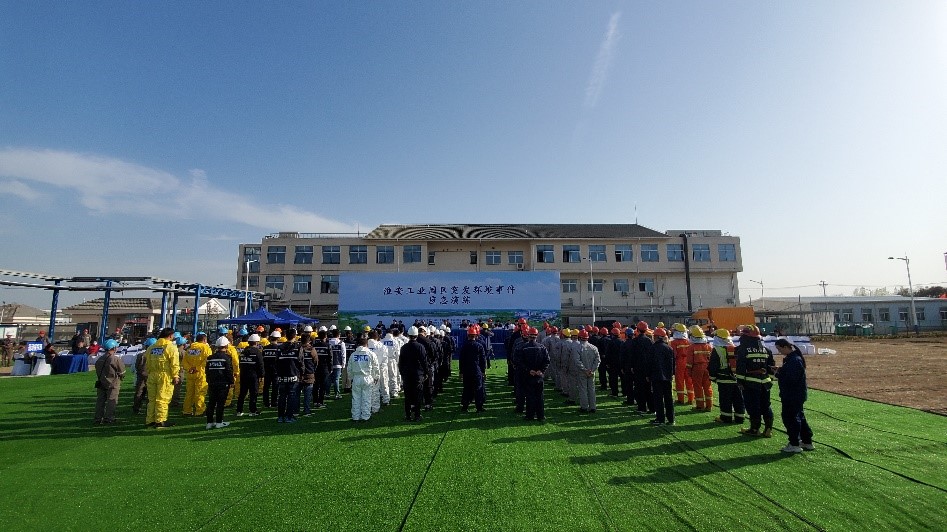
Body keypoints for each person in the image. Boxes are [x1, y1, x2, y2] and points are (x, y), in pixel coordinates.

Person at [735, 325, 776, 438]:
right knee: (765, 406)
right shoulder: (766, 350)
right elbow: (771, 368)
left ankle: (754, 429)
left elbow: (741, 368)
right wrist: (769, 380)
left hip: (750, 383)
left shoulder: (743, 349)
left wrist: (740, 382)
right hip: (765, 384)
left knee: (753, 406)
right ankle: (768, 429)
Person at [775, 339, 814, 453]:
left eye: (779, 349)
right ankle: (807, 441)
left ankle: (794, 443)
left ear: (785, 347)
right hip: (796, 394)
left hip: (792, 395)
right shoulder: (793, 359)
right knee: (799, 417)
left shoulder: (794, 360)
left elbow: (791, 379)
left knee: (790, 418)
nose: (779, 352)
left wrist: (778, 374)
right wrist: (780, 370)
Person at [145, 328, 181, 428]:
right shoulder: (170, 347)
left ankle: (150, 420)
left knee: (152, 399)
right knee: (162, 399)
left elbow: (147, 361)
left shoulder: (152, 347)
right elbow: (174, 363)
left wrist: (150, 372)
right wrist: (175, 375)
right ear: (170, 335)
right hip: (165, 375)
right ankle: (160, 420)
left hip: (152, 375)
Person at [709, 328, 745, 424]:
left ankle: (726, 417)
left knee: (725, 399)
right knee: (738, 399)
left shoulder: (717, 350)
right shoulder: (734, 348)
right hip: (736, 378)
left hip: (723, 378)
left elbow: (713, 365)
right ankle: (740, 417)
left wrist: (712, 377)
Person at [518, 327, 550, 421]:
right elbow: (547, 360)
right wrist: (541, 370)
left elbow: (520, 362)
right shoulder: (542, 347)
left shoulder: (524, 348)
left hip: (528, 375)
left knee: (529, 396)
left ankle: (530, 415)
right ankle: (540, 416)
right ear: (536, 336)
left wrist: (528, 370)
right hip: (539, 376)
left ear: (528, 336)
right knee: (539, 396)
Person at [398, 326, 427, 422]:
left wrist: (402, 373)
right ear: (416, 335)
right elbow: (424, 361)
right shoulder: (420, 347)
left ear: (408, 335)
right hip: (418, 374)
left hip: (407, 374)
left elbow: (400, 362)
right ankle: (417, 415)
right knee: (417, 395)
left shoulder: (404, 347)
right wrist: (426, 372)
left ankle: (408, 415)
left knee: (407, 395)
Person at [347, 336, 379, 422]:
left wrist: (351, 378)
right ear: (366, 344)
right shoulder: (371, 354)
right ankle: (365, 416)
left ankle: (355, 416)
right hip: (367, 377)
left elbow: (349, 368)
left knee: (356, 398)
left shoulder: (353, 355)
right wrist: (376, 377)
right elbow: (376, 367)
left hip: (356, 378)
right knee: (367, 398)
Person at [205, 337, 235, 429]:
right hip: (223, 383)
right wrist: (231, 381)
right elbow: (228, 371)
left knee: (211, 403)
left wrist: (208, 380)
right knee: (220, 403)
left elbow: (207, 371)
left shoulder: (210, 358)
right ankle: (219, 422)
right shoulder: (227, 358)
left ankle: (209, 422)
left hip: (212, 383)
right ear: (226, 346)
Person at [94, 339, 126, 424]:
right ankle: (109, 418)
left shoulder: (100, 359)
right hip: (113, 383)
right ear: (114, 348)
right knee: (111, 401)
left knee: (100, 401)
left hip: (101, 383)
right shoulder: (115, 359)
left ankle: (98, 418)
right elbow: (122, 372)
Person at [648, 328, 676, 426]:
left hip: (656, 377)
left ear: (656, 337)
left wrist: (648, 375)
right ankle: (671, 419)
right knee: (668, 398)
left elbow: (649, 363)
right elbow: (673, 364)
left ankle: (660, 419)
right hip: (667, 377)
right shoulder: (669, 348)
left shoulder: (652, 348)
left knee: (658, 398)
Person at [275, 329, 303, 423]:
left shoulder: (279, 347)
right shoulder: (298, 347)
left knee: (282, 396)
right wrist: (301, 374)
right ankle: (289, 416)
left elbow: (276, 362)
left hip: (281, 375)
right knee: (291, 396)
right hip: (293, 375)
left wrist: (278, 373)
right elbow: (301, 362)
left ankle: (280, 416)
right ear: (295, 336)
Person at [459, 324, 488, 412]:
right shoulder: (479, 346)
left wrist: (461, 372)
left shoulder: (464, 346)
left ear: (468, 335)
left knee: (467, 388)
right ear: (476, 335)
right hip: (476, 370)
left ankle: (465, 406)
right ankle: (479, 407)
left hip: (467, 371)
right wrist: (483, 371)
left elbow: (461, 360)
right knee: (478, 389)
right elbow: (483, 360)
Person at [182, 333, 211, 416]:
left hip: (190, 373)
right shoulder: (205, 347)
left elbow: (184, 361)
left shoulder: (189, 348)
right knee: (200, 392)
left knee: (189, 393)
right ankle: (200, 410)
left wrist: (190, 368)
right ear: (204, 340)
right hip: (201, 373)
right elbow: (207, 360)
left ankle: (187, 410)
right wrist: (197, 368)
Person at [237, 334, 265, 417]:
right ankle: (253, 410)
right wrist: (262, 375)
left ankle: (239, 410)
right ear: (256, 342)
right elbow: (260, 365)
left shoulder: (243, 352)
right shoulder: (257, 352)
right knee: (253, 393)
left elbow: (240, 364)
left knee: (242, 393)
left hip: (243, 375)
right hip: (253, 376)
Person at [573, 329, 601, 414]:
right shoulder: (593, 347)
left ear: (579, 337)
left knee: (583, 389)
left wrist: (585, 370)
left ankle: (584, 407)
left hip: (582, 372)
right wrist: (592, 370)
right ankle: (593, 407)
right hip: (591, 372)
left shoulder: (577, 348)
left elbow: (577, 361)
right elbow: (598, 360)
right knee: (591, 389)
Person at [687, 326, 714, 412]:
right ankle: (709, 405)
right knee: (707, 386)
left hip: (697, 368)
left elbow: (689, 361)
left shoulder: (691, 347)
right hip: (707, 367)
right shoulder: (708, 346)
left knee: (697, 386)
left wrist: (689, 371)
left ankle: (700, 405)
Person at [669, 323, 694, 405]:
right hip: (688, 361)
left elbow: (674, 354)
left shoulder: (674, 342)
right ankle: (691, 398)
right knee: (689, 380)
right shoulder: (689, 341)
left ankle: (681, 399)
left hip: (679, 362)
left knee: (679, 380)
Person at [133, 338, 155, 414]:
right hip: (151, 376)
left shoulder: (140, 355)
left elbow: (136, 366)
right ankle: (150, 410)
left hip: (141, 377)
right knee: (151, 394)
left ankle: (136, 408)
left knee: (139, 393)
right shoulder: (156, 356)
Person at [261, 331, 282, 408]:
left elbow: (262, 360)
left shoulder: (265, 348)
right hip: (276, 371)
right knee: (275, 387)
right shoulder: (279, 349)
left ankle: (266, 402)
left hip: (267, 370)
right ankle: (274, 402)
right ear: (278, 338)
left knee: (266, 387)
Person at [327, 328, 347, 399]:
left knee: (329, 379)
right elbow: (343, 354)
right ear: (339, 335)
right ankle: (337, 394)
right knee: (336, 379)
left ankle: (327, 393)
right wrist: (343, 364)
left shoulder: (328, 342)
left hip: (329, 364)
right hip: (338, 364)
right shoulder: (341, 343)